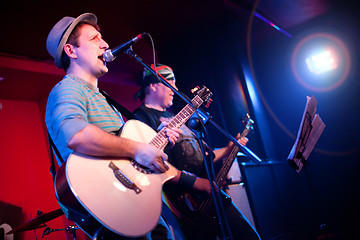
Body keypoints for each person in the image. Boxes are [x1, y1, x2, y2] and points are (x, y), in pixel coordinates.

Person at [45, 13, 182, 240]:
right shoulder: (68, 88)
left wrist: (155, 140)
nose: (106, 44)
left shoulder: (102, 97)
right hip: (111, 203)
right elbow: (77, 136)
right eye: (94, 39)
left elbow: (120, 150)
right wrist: (138, 149)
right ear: (71, 51)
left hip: (132, 201)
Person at [133, 64, 261, 240]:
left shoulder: (177, 117)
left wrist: (230, 148)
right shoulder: (140, 117)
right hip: (184, 202)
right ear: (153, 85)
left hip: (208, 193)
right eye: (170, 82)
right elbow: (149, 159)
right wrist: (196, 183)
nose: (175, 89)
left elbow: (204, 157)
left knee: (249, 236)